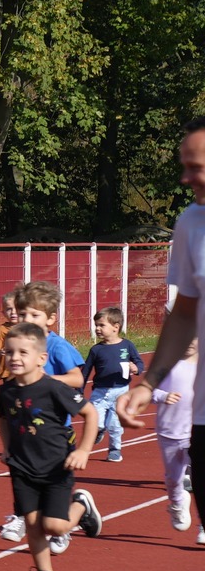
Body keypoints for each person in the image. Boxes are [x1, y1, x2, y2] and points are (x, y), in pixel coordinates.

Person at [116, 118, 205, 486]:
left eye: (195, 167)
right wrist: (148, 383)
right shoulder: (190, 224)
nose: (185, 179)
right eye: (184, 166)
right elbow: (184, 313)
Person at [0, 322, 103, 571]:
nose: (14, 358)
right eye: (9, 352)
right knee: (32, 524)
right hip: (22, 467)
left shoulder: (54, 388)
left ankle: (81, 506)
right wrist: (6, 448)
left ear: (41, 359)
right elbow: (3, 419)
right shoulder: (6, 392)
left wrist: (84, 451)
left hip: (57, 466)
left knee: (54, 526)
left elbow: (90, 414)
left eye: (22, 352)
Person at [0, 279, 83, 544]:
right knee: (23, 475)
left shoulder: (56, 346)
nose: (27, 319)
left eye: (34, 314)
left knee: (51, 492)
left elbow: (77, 379)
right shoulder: (18, 345)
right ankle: (23, 517)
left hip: (55, 429)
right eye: (22, 314)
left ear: (50, 319)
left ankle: (73, 513)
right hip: (24, 424)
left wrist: (43, 383)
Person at [80, 306, 141, 464]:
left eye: (101, 325)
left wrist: (137, 368)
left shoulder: (127, 346)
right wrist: (79, 391)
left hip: (121, 392)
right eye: (96, 326)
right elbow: (85, 372)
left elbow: (139, 363)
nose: (97, 329)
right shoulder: (96, 350)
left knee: (115, 424)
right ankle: (99, 430)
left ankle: (115, 449)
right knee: (96, 420)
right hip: (100, 392)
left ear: (116, 327)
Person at [149, 340, 197, 536]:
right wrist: (162, 396)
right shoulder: (167, 363)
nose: (189, 342)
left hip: (196, 431)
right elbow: (147, 391)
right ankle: (178, 501)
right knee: (173, 478)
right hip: (170, 430)